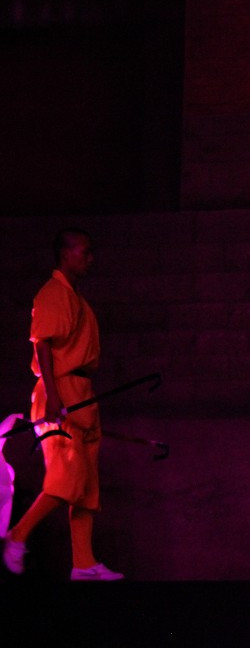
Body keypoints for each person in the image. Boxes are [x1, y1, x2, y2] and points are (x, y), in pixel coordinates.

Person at [2, 228, 123, 580]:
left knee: (85, 486)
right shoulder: (53, 293)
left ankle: (83, 564)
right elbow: (42, 344)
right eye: (85, 251)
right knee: (66, 478)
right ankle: (17, 535)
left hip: (82, 393)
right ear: (66, 254)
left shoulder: (77, 298)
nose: (90, 258)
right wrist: (54, 397)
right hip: (60, 394)